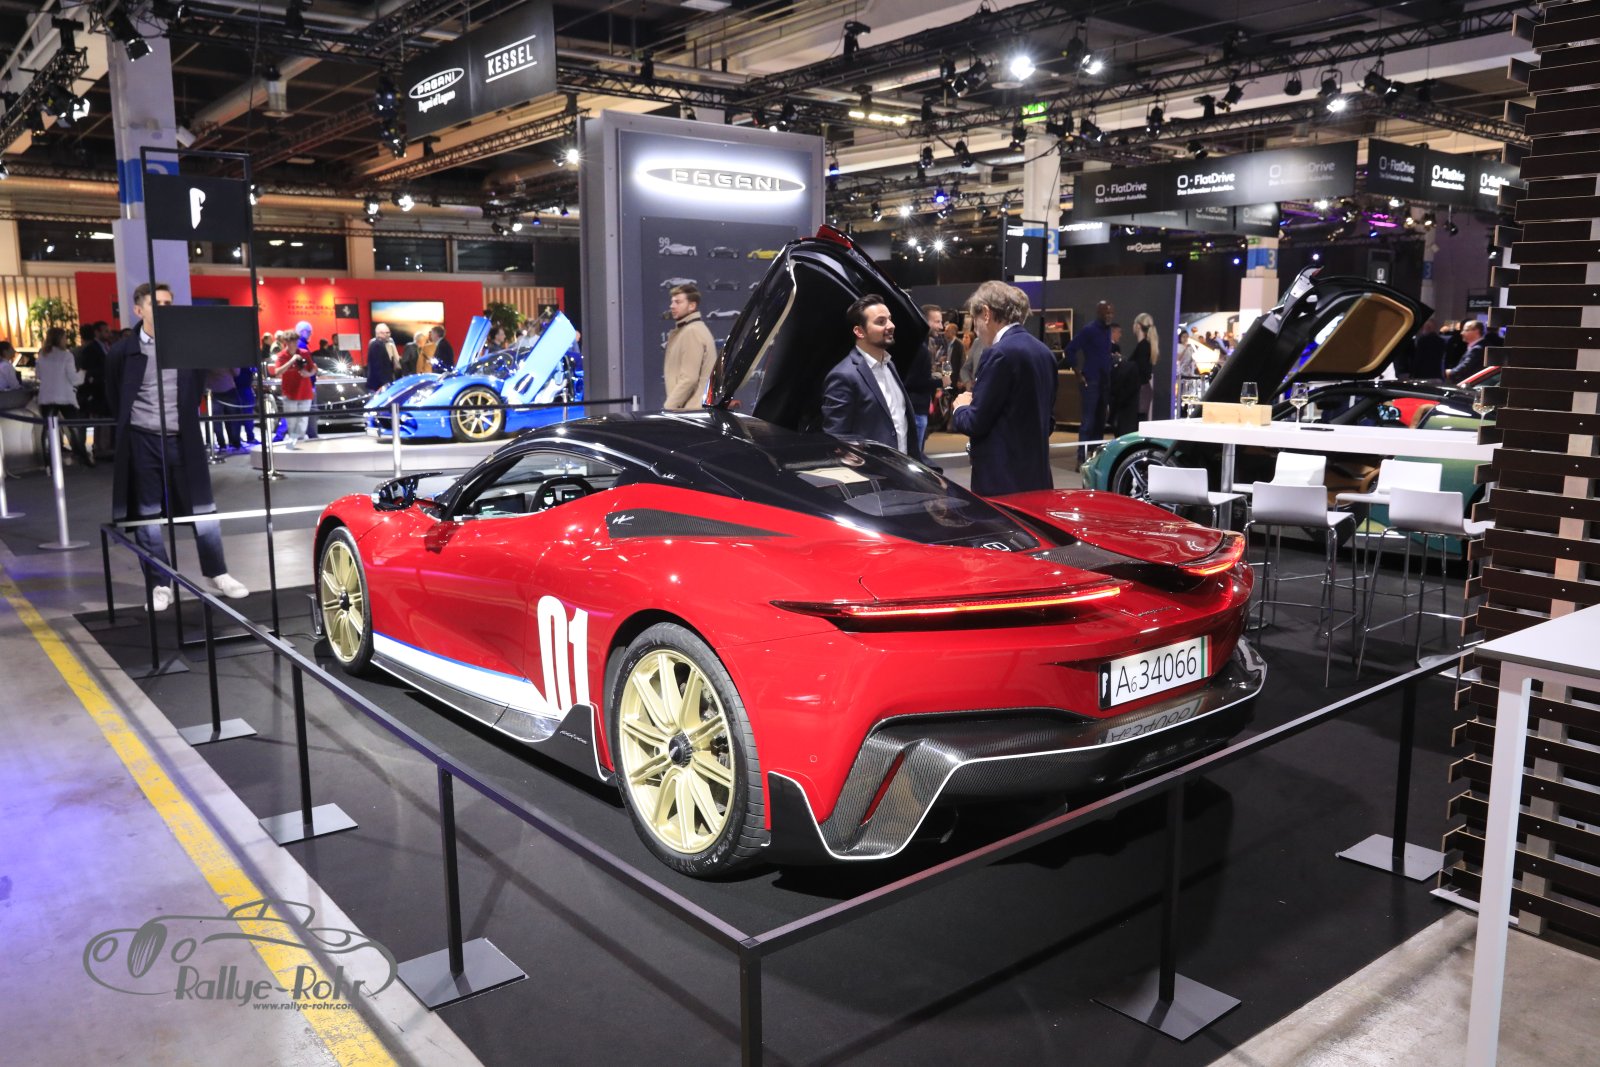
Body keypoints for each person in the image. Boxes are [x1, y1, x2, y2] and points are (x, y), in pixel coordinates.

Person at [104, 282, 249, 610]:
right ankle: (160, 583)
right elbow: (115, 396)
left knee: (204, 509)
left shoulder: (187, 347)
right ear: (138, 310)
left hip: (183, 438)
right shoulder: (122, 353)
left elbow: (198, 386)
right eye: (156, 303)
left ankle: (217, 572)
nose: (164, 309)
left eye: (169, 303)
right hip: (141, 439)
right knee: (146, 515)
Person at [949, 281, 1057, 496]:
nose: (976, 330)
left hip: (1003, 483)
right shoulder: (1044, 353)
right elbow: (1048, 422)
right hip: (1038, 478)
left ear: (986, 313)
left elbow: (975, 422)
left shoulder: (999, 353)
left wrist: (960, 407)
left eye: (975, 320)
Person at [821, 294, 929, 463]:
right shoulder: (844, 375)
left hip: (902, 468)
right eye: (881, 322)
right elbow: (837, 437)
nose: (891, 325)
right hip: (873, 473)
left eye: (890, 319)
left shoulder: (889, 365)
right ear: (859, 331)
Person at [36, 327, 92, 465]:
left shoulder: (42, 354)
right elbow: (74, 379)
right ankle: (83, 456)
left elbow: (39, 375)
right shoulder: (66, 356)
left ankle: (48, 462)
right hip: (64, 396)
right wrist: (82, 373)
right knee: (75, 427)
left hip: (46, 396)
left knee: (48, 429)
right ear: (60, 339)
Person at [1065, 300, 1115, 450]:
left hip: (1104, 382)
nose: (1109, 316)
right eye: (1107, 312)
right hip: (1091, 381)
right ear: (1099, 313)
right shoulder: (1089, 330)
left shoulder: (1107, 330)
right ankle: (1082, 455)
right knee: (1088, 422)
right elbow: (1070, 349)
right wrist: (1077, 373)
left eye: (1111, 313)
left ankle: (1095, 455)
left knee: (1100, 422)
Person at [662, 283, 717, 410]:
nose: (672, 306)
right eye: (672, 302)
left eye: (678, 302)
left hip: (691, 410)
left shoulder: (692, 331)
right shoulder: (691, 329)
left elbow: (689, 378)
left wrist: (669, 407)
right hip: (692, 410)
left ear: (692, 305)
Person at [906, 304, 944, 447]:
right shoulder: (920, 349)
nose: (941, 327)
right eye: (937, 322)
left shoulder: (921, 345)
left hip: (918, 409)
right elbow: (911, 382)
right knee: (915, 455)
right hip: (916, 410)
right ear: (925, 321)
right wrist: (940, 382)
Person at [74, 321, 113, 456]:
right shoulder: (91, 349)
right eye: (105, 331)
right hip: (96, 390)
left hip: (104, 389)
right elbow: (88, 369)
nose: (109, 334)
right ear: (97, 332)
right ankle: (99, 448)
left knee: (104, 419)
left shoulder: (106, 347)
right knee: (99, 419)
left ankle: (103, 447)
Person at [273, 343, 315, 449]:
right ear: (286, 343)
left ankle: (297, 442)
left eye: (295, 342)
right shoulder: (282, 355)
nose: (293, 345)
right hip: (289, 393)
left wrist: (309, 374)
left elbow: (314, 368)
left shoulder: (304, 353)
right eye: (290, 342)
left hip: (305, 392)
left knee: (302, 421)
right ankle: (293, 443)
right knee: (291, 422)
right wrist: (292, 360)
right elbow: (277, 372)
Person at [1131, 311, 1160, 419]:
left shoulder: (1143, 347)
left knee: (1138, 422)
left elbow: (1141, 370)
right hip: (1142, 390)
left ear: (1138, 326)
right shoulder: (1145, 346)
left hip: (1140, 391)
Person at [365, 324, 397, 392]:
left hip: (380, 385)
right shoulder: (377, 345)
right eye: (387, 333)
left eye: (389, 332)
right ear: (380, 333)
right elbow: (378, 367)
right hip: (379, 386)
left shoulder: (379, 344)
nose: (389, 335)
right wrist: (383, 384)